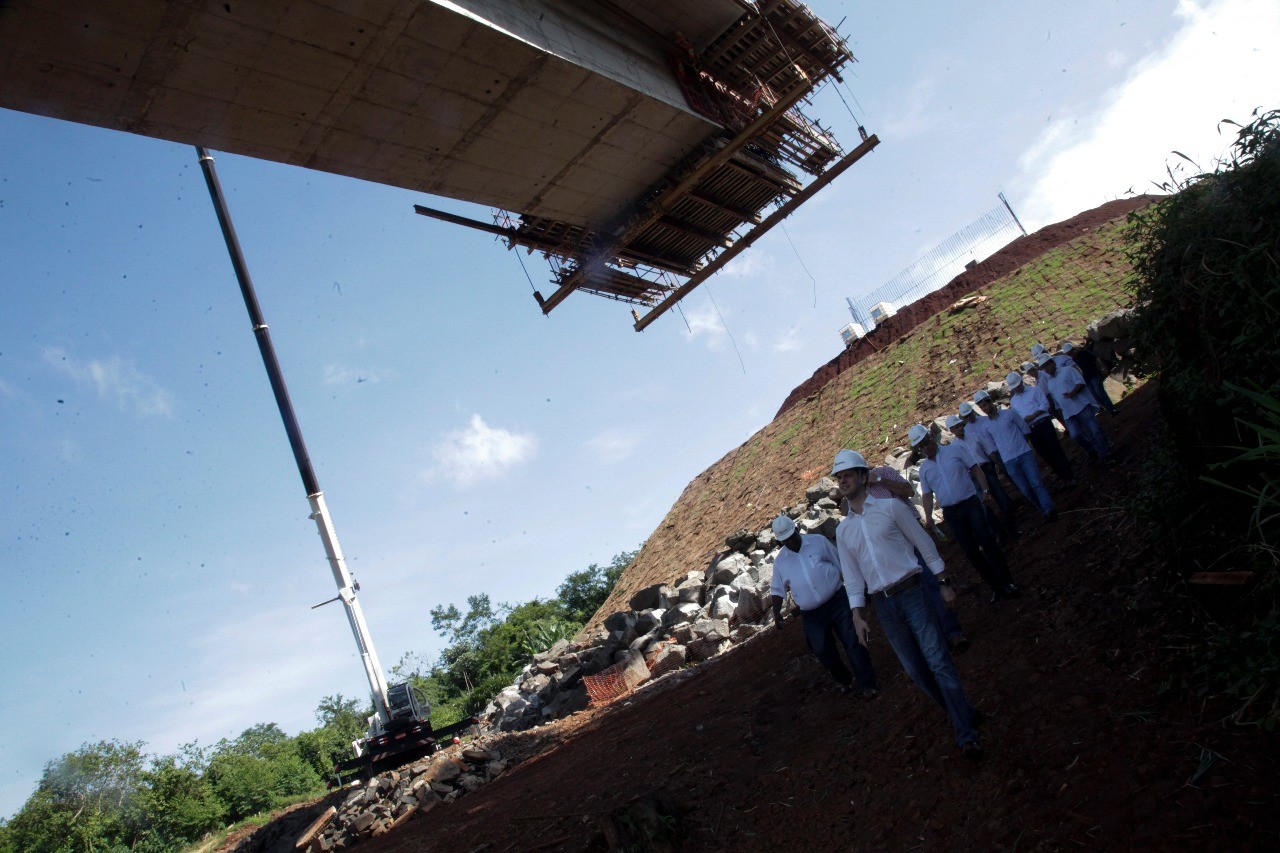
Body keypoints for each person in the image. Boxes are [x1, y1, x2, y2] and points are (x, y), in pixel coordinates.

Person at [831, 449, 984, 758]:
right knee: (916, 670)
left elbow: (923, 544)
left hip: (913, 592)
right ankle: (962, 711)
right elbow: (852, 577)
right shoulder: (843, 530)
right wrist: (858, 615)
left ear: (864, 477)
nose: (843, 480)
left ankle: (965, 733)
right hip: (885, 607)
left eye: (848, 474)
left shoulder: (890, 508)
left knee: (938, 660)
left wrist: (943, 582)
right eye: (839, 477)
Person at [843, 454, 969, 653]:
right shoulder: (855, 497)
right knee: (911, 594)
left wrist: (880, 480)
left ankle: (952, 632)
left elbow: (909, 491)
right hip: (891, 549)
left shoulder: (884, 472)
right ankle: (933, 641)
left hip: (911, 535)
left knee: (930, 581)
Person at [769, 514, 879, 698]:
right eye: (785, 541)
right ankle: (844, 679)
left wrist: (859, 590)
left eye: (791, 537)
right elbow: (777, 588)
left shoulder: (818, 542)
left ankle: (868, 683)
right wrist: (776, 613)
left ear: (796, 530)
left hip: (837, 601)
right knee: (822, 650)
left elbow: (841, 564)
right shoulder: (781, 561)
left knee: (852, 641)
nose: (790, 542)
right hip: (812, 614)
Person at [913, 424, 1020, 602]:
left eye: (926, 443)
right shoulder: (925, 469)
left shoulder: (954, 450)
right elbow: (926, 494)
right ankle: (995, 586)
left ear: (931, 438)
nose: (925, 448)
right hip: (951, 513)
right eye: (921, 446)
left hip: (970, 504)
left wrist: (985, 491)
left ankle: (1007, 581)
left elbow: (975, 469)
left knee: (987, 542)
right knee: (971, 552)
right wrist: (929, 517)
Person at [973, 390, 1058, 522]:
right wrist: (999, 463)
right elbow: (992, 448)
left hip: (1024, 454)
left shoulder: (1009, 413)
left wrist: (1021, 445)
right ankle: (1041, 509)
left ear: (990, 401)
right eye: (981, 407)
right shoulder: (985, 427)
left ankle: (1048, 509)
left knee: (1036, 483)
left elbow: (1025, 430)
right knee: (1025, 489)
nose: (984, 409)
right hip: (1008, 461)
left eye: (985, 405)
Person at [949, 411, 1018, 540]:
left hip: (986, 469)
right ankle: (999, 533)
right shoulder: (954, 448)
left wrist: (996, 463)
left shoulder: (974, 436)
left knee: (1000, 495)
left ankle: (1012, 525)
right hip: (973, 476)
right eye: (956, 427)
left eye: (960, 425)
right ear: (951, 431)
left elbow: (988, 450)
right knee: (984, 505)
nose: (959, 428)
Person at [1036, 352, 1112, 464]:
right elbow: (1057, 403)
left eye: (1047, 365)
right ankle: (1092, 449)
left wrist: (1072, 393)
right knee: (1075, 435)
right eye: (1044, 368)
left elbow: (1080, 382)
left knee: (1094, 430)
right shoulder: (1050, 384)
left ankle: (1104, 452)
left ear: (1052, 363)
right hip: (1068, 413)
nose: (1047, 369)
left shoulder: (1067, 370)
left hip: (1082, 405)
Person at [1006, 370, 1075, 484]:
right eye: (1014, 387)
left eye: (1017, 386)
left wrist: (1033, 415)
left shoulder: (1034, 390)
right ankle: (1061, 476)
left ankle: (1069, 476)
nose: (1016, 388)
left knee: (1055, 450)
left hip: (1043, 423)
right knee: (1045, 454)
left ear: (1021, 382)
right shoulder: (1013, 401)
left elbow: (1044, 404)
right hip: (1031, 429)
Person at [1061, 340, 1117, 415]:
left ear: (1074, 350)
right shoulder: (1071, 362)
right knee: (1095, 397)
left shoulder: (1084, 353)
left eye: (1071, 353)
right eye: (1069, 354)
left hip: (1094, 375)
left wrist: (1103, 368)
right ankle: (1108, 409)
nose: (1071, 355)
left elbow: (1096, 359)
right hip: (1085, 381)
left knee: (1100, 393)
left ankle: (1111, 409)